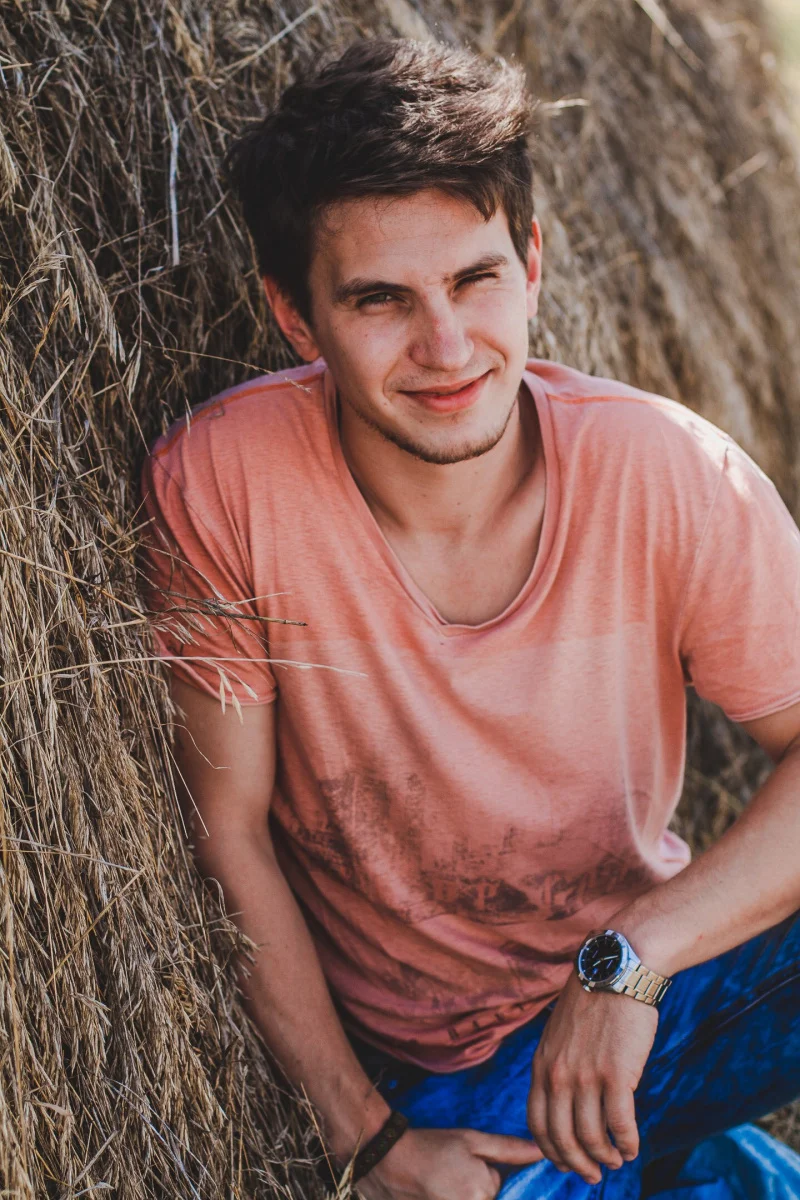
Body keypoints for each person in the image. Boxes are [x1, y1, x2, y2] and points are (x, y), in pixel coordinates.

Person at [137, 36, 800, 1200]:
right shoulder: (225, 487)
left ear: (530, 263)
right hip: (439, 1064)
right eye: (380, 300)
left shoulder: (670, 474)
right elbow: (226, 834)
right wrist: (368, 1142)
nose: (444, 349)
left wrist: (628, 961)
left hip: (654, 980)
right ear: (296, 318)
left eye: (472, 281)